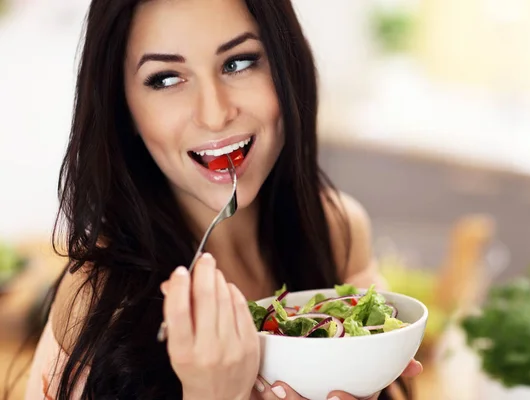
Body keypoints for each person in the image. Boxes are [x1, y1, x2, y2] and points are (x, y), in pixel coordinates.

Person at [24, 0, 423, 399]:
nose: (214, 114)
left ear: (287, 65)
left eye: (238, 62)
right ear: (123, 108)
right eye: (165, 79)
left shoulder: (336, 230)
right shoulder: (98, 295)